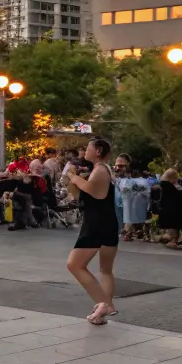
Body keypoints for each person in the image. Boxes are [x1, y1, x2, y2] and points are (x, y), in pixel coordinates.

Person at [66, 137, 120, 325]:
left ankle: (103, 304)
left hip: (97, 224)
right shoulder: (101, 170)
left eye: (88, 148)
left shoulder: (100, 169)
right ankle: (105, 308)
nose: (85, 151)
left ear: (98, 151)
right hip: (106, 222)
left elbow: (95, 192)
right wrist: (74, 180)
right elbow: (83, 195)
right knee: (105, 270)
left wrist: (74, 177)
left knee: (74, 265)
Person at [158, 168, 182, 247]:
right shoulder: (175, 188)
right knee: (175, 229)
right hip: (177, 213)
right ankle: (174, 241)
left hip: (167, 213)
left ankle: (172, 240)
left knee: (171, 229)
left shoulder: (162, 187)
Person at [117, 165, 151, 241]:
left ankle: (128, 232)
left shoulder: (128, 181)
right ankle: (128, 232)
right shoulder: (142, 181)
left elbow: (124, 190)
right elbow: (147, 192)